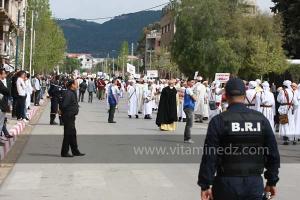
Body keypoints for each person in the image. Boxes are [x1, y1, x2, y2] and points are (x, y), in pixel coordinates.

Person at [198, 78, 280, 200]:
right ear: (245, 94)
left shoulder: (219, 120)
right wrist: (271, 181)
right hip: (253, 185)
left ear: (226, 95)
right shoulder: (260, 119)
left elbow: (210, 156)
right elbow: (273, 154)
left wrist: (205, 185)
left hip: (226, 184)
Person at [60, 79, 84, 157]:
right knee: (68, 134)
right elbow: (64, 105)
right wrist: (63, 112)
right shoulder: (68, 93)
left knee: (72, 134)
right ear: (72, 85)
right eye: (76, 84)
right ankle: (64, 152)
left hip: (71, 116)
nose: (77, 85)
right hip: (68, 116)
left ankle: (75, 151)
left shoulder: (72, 92)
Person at [277, 80, 298, 145]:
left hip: (283, 109)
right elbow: (296, 103)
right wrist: (293, 109)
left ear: (284, 85)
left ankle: (286, 139)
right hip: (290, 109)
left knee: (284, 123)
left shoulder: (282, 91)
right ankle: (293, 138)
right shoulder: (292, 92)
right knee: (291, 123)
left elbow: (278, 100)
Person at [183, 78, 197, 143]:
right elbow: (194, 98)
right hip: (189, 107)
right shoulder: (188, 89)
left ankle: (186, 138)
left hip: (188, 107)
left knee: (188, 123)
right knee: (190, 124)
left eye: (193, 82)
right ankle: (188, 138)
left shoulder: (189, 89)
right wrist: (195, 95)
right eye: (191, 82)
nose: (193, 83)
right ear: (188, 82)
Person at [0, 68, 11, 136]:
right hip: (1, 105)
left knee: (1, 122)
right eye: (4, 73)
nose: (5, 75)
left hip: (2, 104)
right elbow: (6, 91)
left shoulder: (2, 81)